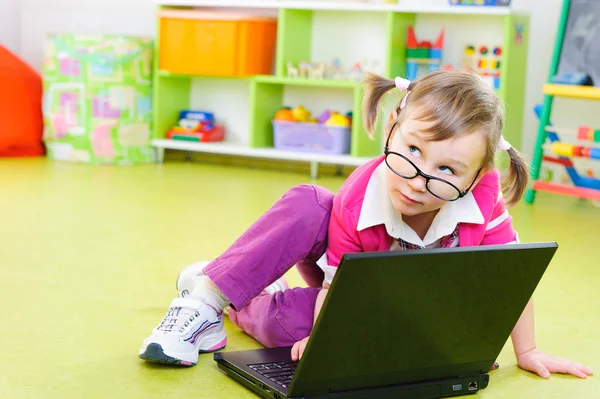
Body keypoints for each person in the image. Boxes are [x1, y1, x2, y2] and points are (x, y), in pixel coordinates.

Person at [139, 70, 593, 379]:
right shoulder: (360, 198)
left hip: (406, 313)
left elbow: (508, 278)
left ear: (477, 177)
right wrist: (321, 339)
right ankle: (218, 293)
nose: (419, 180)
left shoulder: (485, 200)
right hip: (349, 286)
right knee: (293, 306)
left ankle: (228, 283)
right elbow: (338, 288)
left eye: (448, 171)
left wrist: (526, 351)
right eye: (413, 151)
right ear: (392, 126)